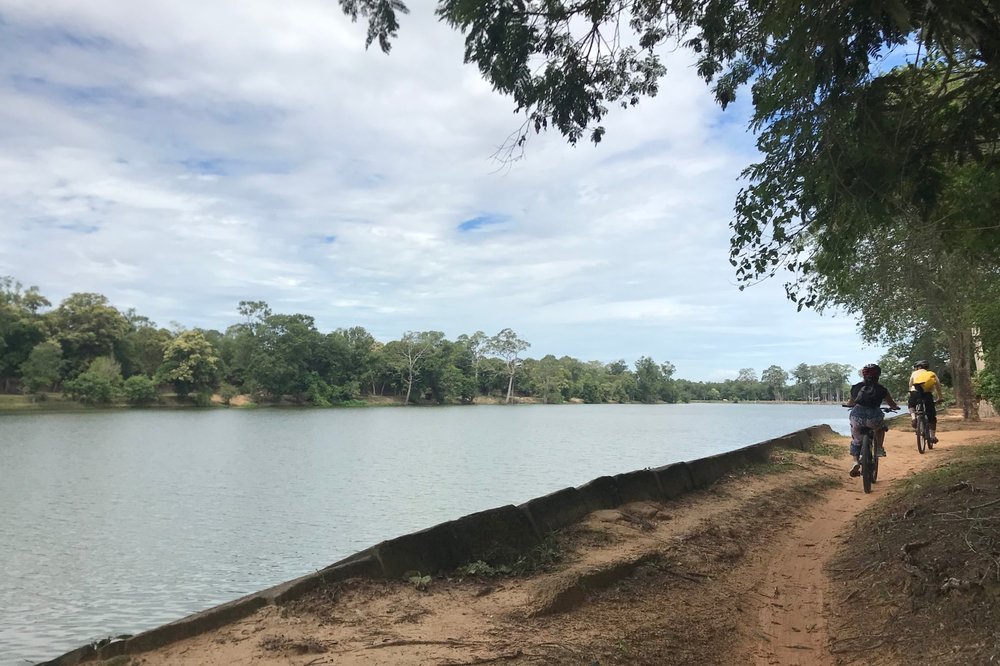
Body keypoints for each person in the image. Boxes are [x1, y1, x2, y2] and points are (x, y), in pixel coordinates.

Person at [845, 363, 900, 477]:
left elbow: (851, 403)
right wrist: (894, 407)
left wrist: (848, 405)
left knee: (856, 440)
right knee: (880, 428)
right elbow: (892, 404)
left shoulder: (856, 387)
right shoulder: (882, 389)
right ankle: (879, 448)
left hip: (857, 417)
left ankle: (855, 461)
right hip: (874, 418)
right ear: (878, 375)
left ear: (863, 375)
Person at [908, 360, 944, 443]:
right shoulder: (931, 374)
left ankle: (913, 418)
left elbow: (910, 386)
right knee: (931, 415)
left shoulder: (914, 373)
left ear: (918, 367)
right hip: (927, 395)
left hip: (915, 393)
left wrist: (911, 394)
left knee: (911, 405)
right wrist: (940, 398)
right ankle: (933, 436)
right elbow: (938, 387)